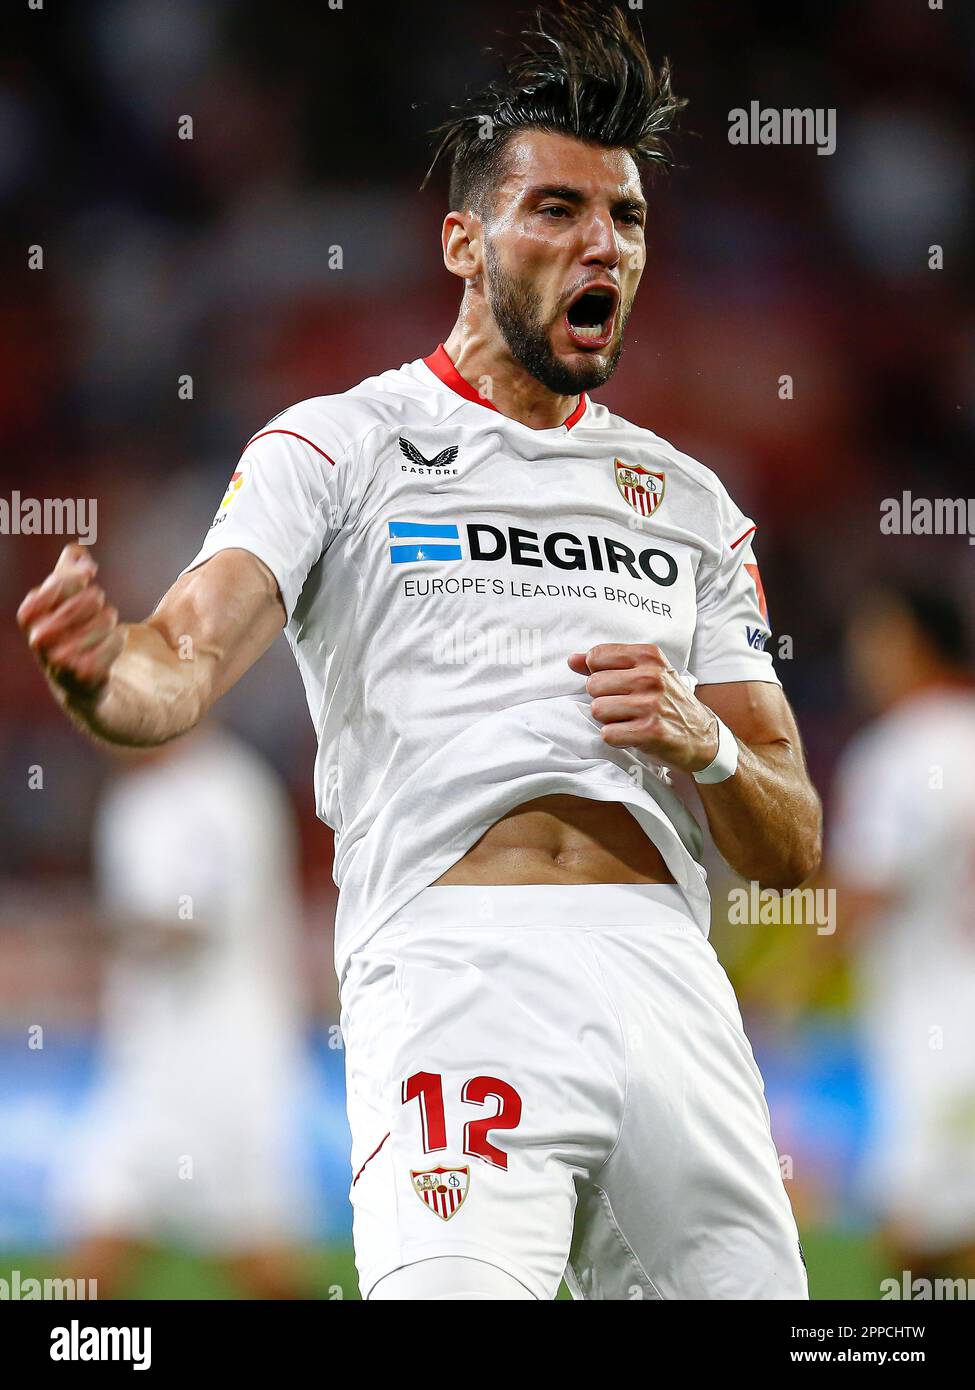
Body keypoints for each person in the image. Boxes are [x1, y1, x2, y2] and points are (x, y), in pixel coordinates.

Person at [18, 3, 819, 1300]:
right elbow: (179, 657)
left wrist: (704, 738)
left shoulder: (684, 500)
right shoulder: (336, 446)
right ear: (462, 239)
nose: (597, 242)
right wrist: (104, 674)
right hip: (456, 965)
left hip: (669, 976)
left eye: (622, 217)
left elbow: (787, 842)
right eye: (554, 210)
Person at [52, 725, 313, 1299]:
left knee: (261, 1262)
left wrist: (95, 931)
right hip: (145, 1065)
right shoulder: (130, 800)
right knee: (95, 1238)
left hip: (229, 1060)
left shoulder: (225, 788)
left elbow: (198, 922)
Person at [828, 581, 975, 1284]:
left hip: (933, 1023)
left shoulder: (897, 753)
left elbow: (866, 891)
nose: (861, 658)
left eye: (874, 638)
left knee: (912, 1227)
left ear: (913, 644)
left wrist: (779, 986)